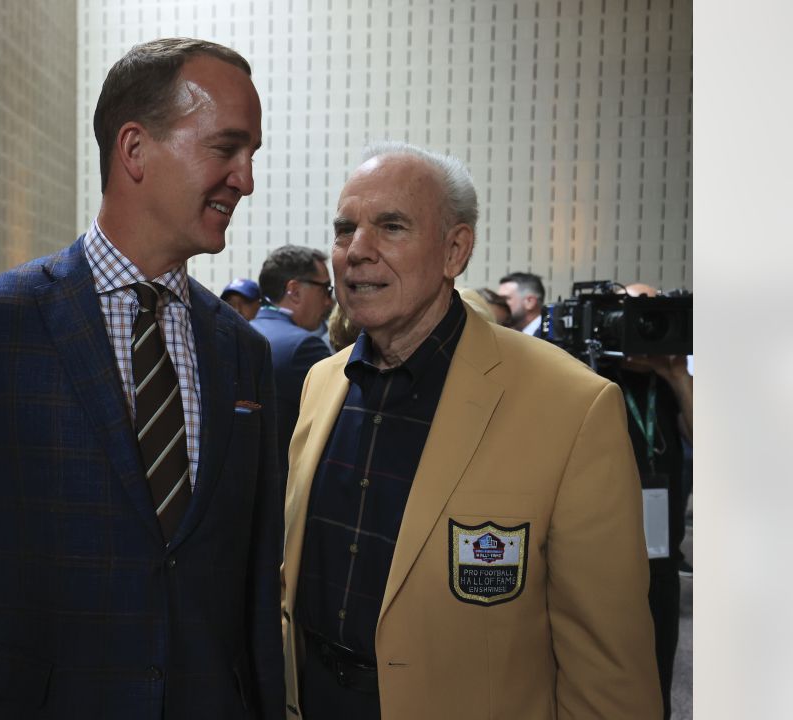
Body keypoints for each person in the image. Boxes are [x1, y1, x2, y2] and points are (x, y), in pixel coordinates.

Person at [0, 37, 282, 719]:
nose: (246, 178)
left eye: (252, 154)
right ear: (135, 150)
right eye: (226, 148)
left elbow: (255, 581)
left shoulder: (242, 352)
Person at [281, 143, 660, 719]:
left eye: (391, 227)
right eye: (344, 229)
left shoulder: (572, 405)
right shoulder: (321, 384)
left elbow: (608, 667)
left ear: (454, 250)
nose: (357, 251)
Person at [599, 282, 694, 719]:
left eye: (655, 316)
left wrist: (676, 374)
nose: (646, 326)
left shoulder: (675, 382)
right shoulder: (594, 375)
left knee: (656, 683)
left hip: (661, 560)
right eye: (635, 316)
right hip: (601, 562)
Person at [251, 245, 335, 463]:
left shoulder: (240, 333)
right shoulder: (305, 347)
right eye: (326, 289)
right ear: (294, 290)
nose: (329, 301)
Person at [498, 271, 546, 336]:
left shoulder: (552, 338)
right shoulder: (510, 336)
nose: (499, 303)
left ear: (530, 302)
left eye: (506, 298)